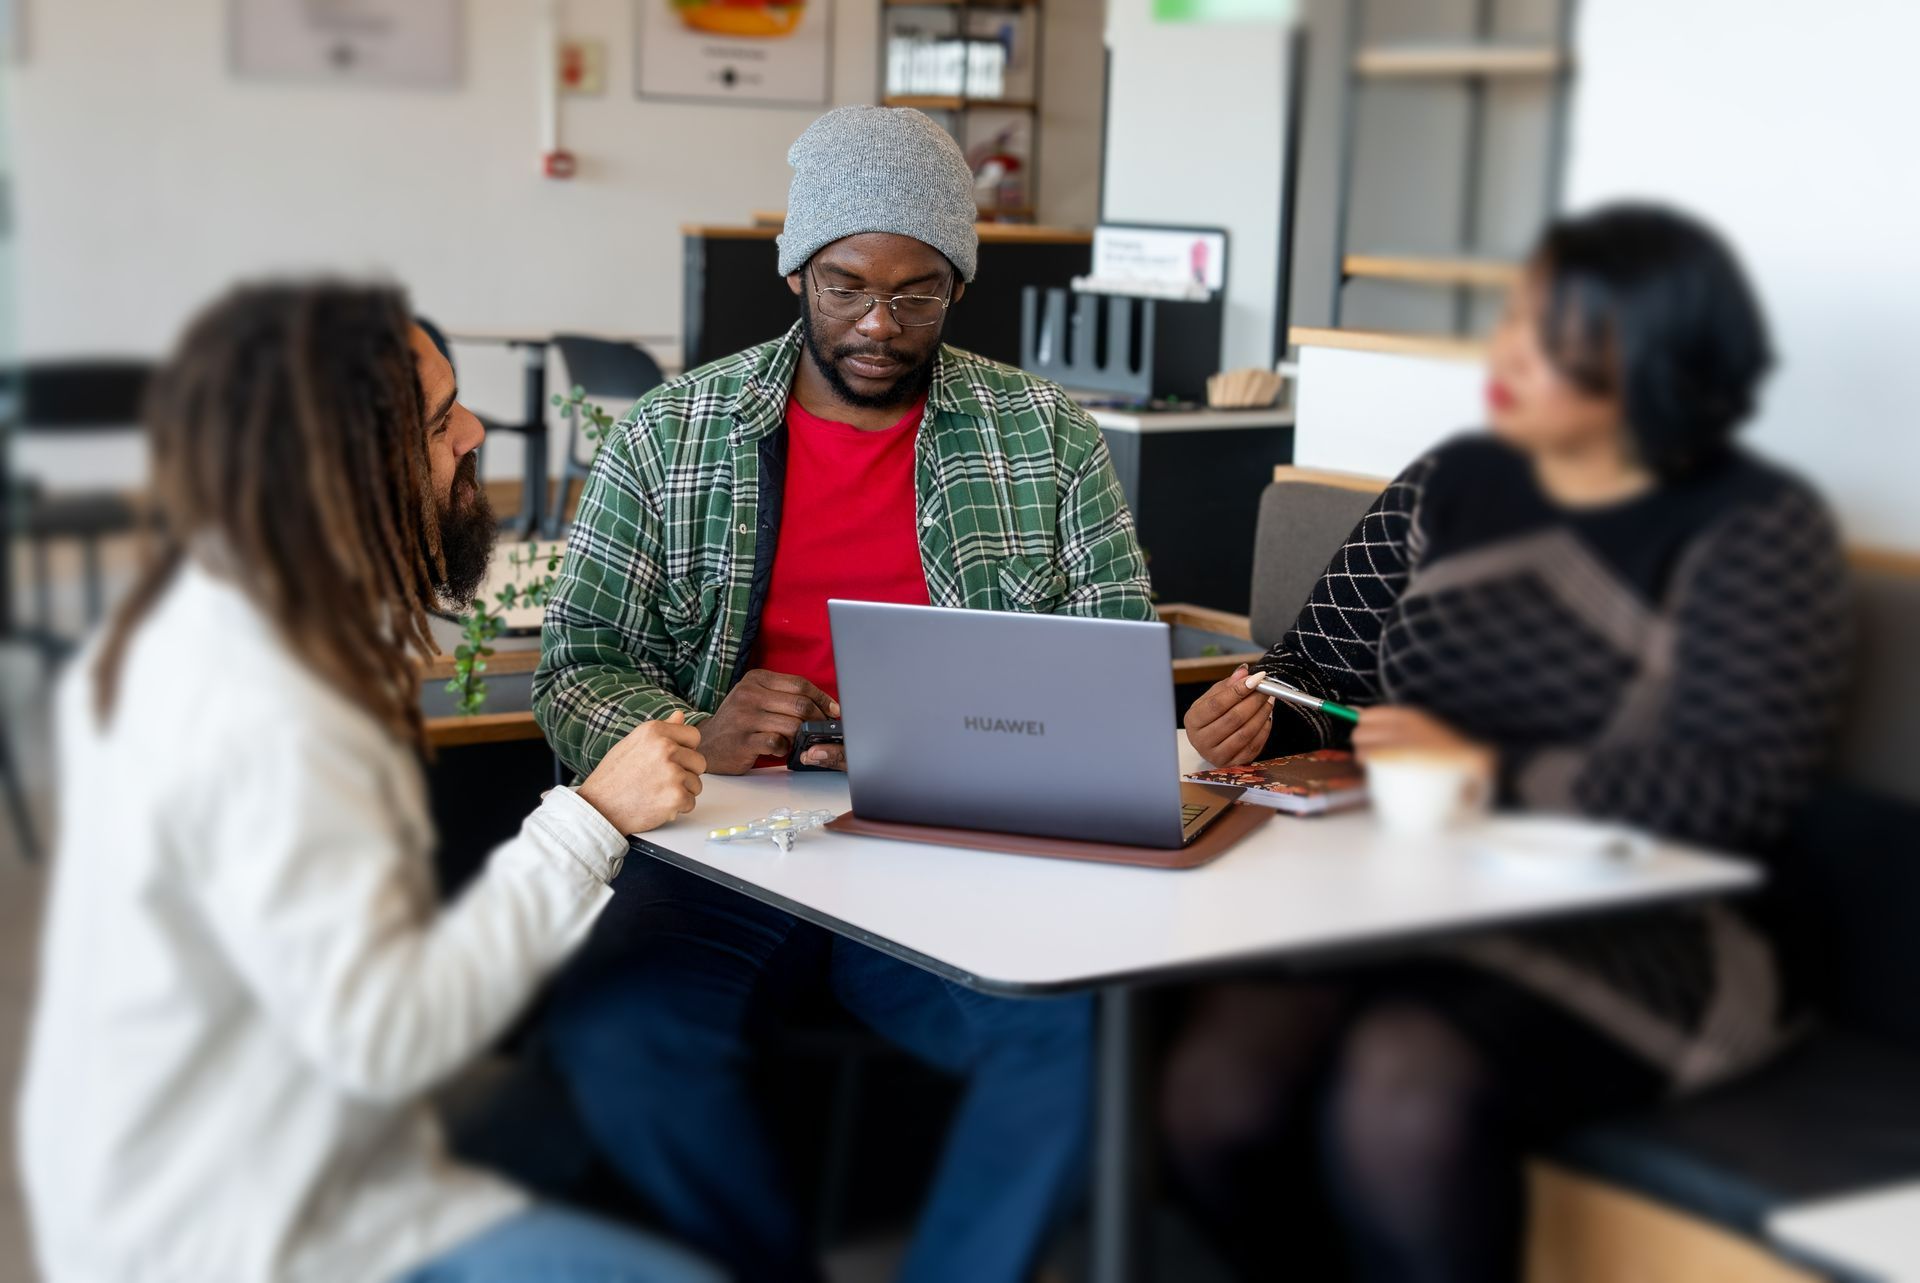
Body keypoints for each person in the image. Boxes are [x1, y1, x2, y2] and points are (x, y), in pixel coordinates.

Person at [1168, 205, 1853, 1281]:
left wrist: (1488, 767)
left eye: (1558, 335)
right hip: (1402, 889)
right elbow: (1316, 674)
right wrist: (1252, 716)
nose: (1512, 353)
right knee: (1216, 1093)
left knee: (1402, 1091)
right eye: (1517, 318)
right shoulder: (1457, 481)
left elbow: (1740, 790)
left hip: (1656, 922)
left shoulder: (1753, 526)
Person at [533, 105, 1153, 1282]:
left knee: (1075, 1039)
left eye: (917, 293)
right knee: (621, 1036)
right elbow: (577, 660)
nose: (878, 323)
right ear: (794, 270)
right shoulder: (673, 433)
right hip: (718, 846)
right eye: (846, 285)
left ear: (959, 286)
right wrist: (688, 733)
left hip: (949, 847)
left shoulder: (1046, 437)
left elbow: (1111, 655)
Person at [17, 283, 722, 1283]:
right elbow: (386, 1038)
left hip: (186, 1153)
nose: (477, 433)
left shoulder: (219, 605)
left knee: (592, 1077)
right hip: (235, 1232)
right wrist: (592, 815)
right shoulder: (268, 714)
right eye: (442, 423)